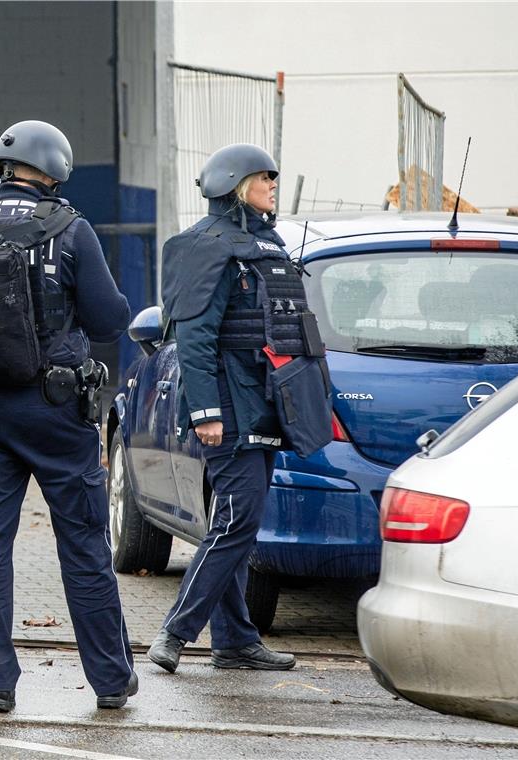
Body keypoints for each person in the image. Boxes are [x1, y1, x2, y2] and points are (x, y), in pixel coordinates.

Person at [0, 120, 137, 712]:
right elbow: (112, 320)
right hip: (57, 412)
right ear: (55, 168)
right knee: (84, 544)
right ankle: (111, 681)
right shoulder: (71, 230)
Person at [148, 143, 326, 673]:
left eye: (274, 176)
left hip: (266, 404)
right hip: (226, 408)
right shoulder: (207, 247)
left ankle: (234, 641)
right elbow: (195, 342)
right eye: (263, 176)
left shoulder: (263, 243)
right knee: (238, 518)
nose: (273, 183)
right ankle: (175, 633)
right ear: (233, 184)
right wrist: (205, 412)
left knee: (235, 520)